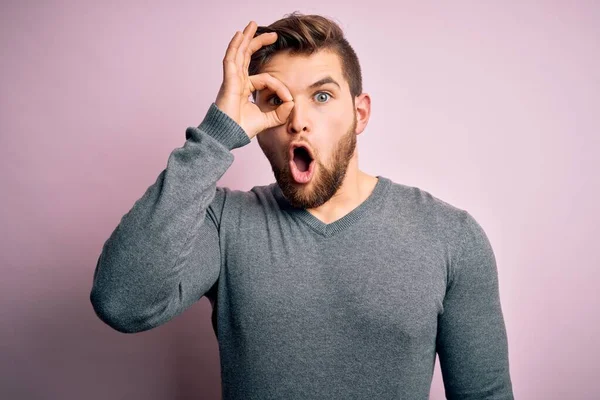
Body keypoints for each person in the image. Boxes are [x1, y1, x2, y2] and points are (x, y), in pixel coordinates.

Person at [90, 12, 514, 399]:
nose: (297, 120)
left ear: (360, 114)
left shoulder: (450, 237)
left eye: (323, 96)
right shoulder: (223, 225)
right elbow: (121, 303)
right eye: (275, 99)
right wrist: (216, 134)